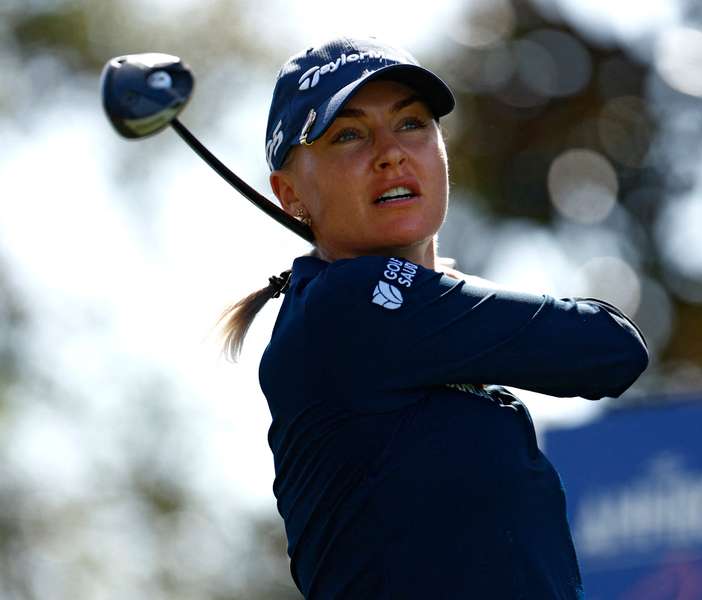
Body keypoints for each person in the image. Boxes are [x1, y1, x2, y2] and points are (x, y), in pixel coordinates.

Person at [219, 37, 649, 600]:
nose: (390, 152)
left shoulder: (375, 313)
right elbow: (609, 347)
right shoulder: (347, 305)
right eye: (348, 134)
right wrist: (446, 290)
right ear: (290, 193)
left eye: (412, 123)